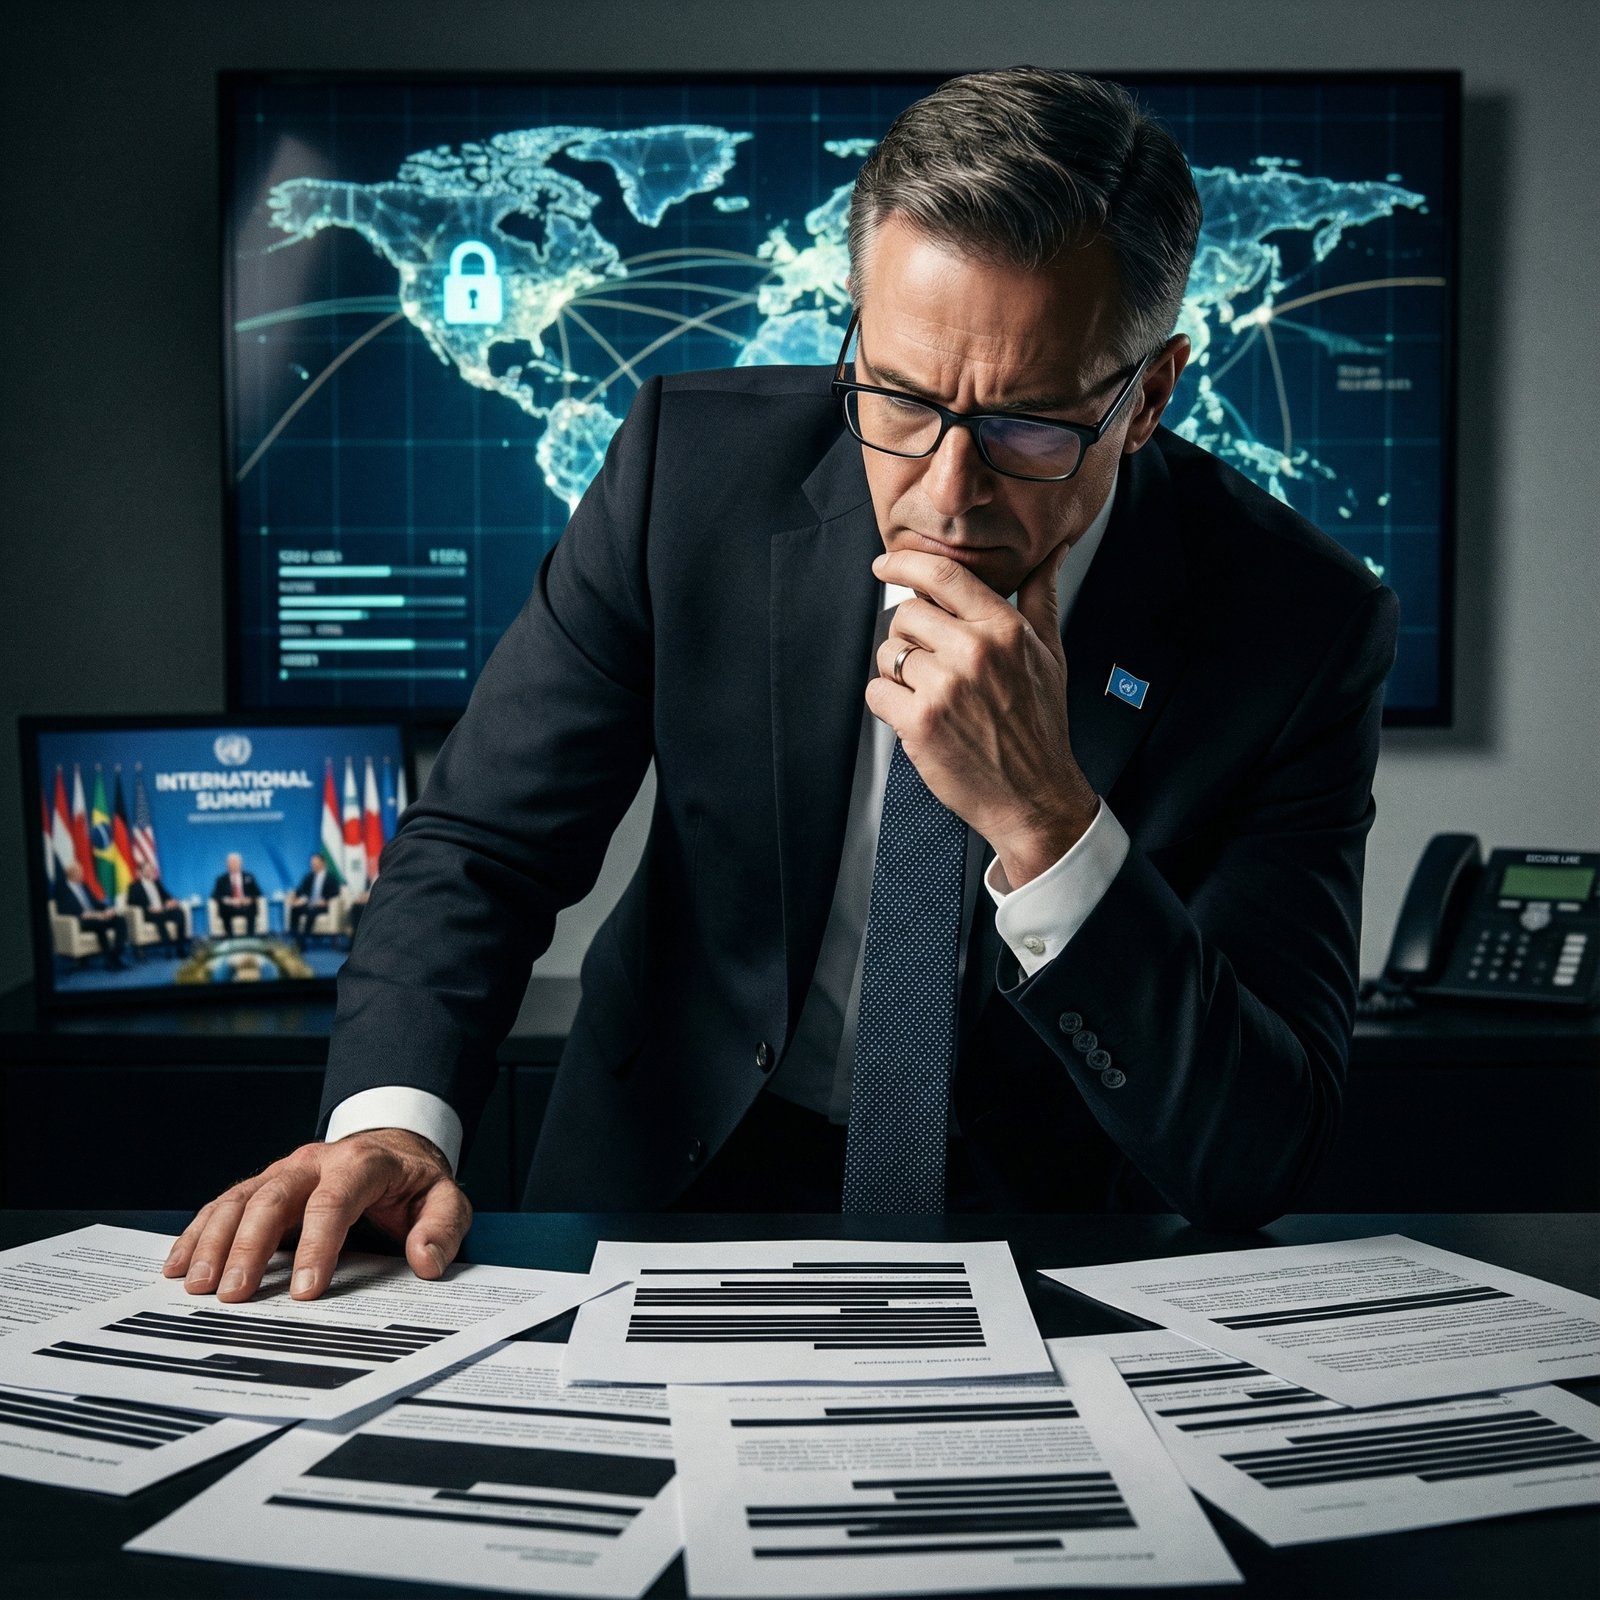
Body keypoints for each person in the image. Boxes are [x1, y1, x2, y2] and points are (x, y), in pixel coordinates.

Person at [167, 69, 1398, 1306]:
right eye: (902, 401)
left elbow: (1257, 1153)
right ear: (853, 331)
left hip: (1054, 1237)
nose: (946, 491)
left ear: (1150, 397)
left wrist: (1049, 824)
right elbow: (485, 842)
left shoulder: (1300, 626)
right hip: (662, 1182)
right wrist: (392, 1123)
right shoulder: (682, 472)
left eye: (1031, 425)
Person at [53, 863, 129, 969]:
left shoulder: (84, 886)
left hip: (96, 916)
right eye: (79, 872)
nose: (82, 874)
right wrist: (85, 915)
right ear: (71, 874)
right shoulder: (63, 889)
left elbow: (95, 902)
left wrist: (106, 909)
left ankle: (116, 954)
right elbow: (64, 909)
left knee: (120, 919)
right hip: (81, 920)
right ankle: (109, 960)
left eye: (81, 872)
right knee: (99, 923)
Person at [127, 861, 188, 957]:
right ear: (141, 872)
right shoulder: (134, 886)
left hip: (163, 910)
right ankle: (168, 948)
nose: (150, 871)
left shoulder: (157, 883)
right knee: (159, 917)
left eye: (151, 869)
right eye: (147, 869)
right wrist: (148, 907)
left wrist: (171, 901)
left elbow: (167, 896)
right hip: (149, 913)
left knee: (180, 913)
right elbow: (131, 903)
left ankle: (180, 947)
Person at [287, 852, 335, 946]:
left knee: (310, 912)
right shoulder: (309, 877)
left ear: (322, 863)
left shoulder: (330, 878)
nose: (313, 866)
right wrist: (294, 896)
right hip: (309, 904)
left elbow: (335, 893)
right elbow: (300, 890)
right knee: (295, 909)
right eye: (312, 864)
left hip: (322, 906)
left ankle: (302, 941)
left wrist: (325, 901)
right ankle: (296, 937)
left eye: (315, 863)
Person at [209, 853, 261, 938]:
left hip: (245, 906)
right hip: (230, 907)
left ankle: (250, 937)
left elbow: (257, 893)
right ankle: (230, 937)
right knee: (224, 908)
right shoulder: (221, 879)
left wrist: (249, 899)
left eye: (236, 862)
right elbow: (215, 895)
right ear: (227, 865)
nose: (234, 865)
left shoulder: (249, 876)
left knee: (252, 907)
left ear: (241, 863)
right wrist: (227, 900)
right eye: (231, 863)